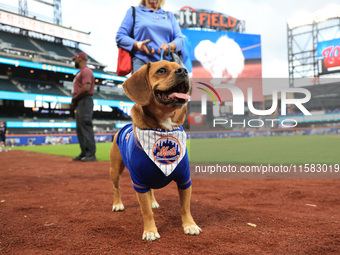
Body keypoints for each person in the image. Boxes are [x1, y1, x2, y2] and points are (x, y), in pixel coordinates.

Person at [116, 0, 185, 73]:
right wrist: (139, 45)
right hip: (142, 64)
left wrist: (170, 46)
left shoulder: (169, 15)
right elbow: (120, 36)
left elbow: (180, 39)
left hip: (167, 66)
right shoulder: (134, 11)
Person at [71, 52, 97, 162]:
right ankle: (84, 152)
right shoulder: (81, 72)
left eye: (75, 60)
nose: (74, 62)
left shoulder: (86, 71)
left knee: (85, 125)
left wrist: (75, 97)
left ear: (80, 59)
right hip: (80, 101)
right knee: (80, 127)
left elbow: (86, 87)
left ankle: (91, 153)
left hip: (85, 100)